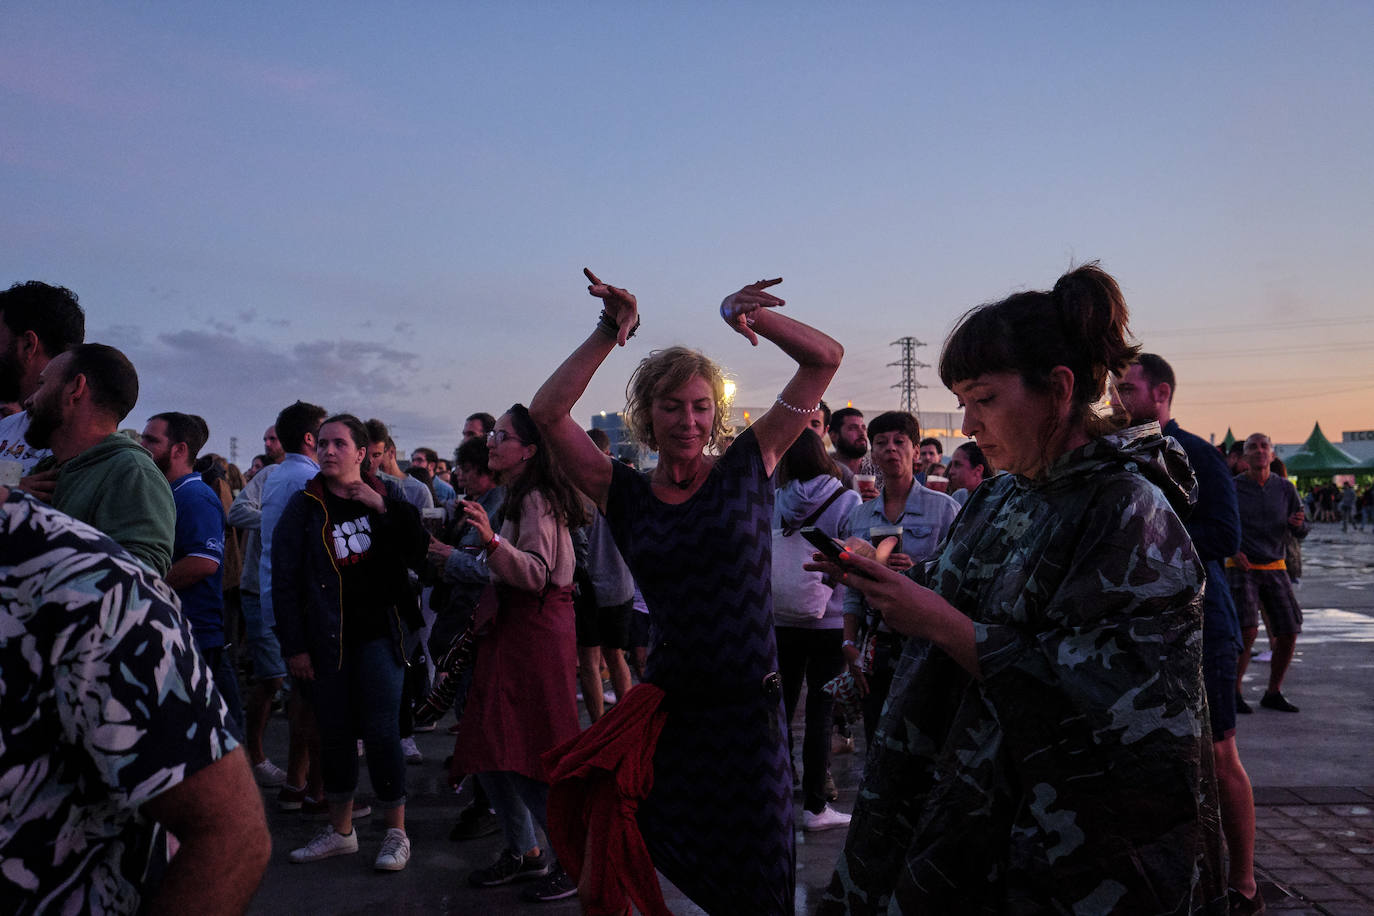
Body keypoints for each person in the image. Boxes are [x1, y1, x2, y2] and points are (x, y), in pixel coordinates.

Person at [813, 264, 1224, 913]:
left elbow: (1110, 709)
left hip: (1070, 862)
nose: (968, 425)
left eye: (984, 399)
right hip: (963, 822)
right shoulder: (1006, 493)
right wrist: (889, 576)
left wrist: (935, 622)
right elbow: (968, 594)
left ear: (1058, 390)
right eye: (963, 402)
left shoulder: (1126, 512)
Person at [529, 268, 843, 915]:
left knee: (760, 893)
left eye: (700, 406)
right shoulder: (626, 493)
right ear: (645, 413)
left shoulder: (748, 466)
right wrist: (607, 330)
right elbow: (547, 414)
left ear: (717, 411)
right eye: (670, 405)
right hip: (671, 717)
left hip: (750, 722)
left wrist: (747, 316)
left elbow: (824, 358)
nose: (687, 419)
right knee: (602, 869)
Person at [0, 486, 269, 913]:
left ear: (179, 447)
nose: (145, 444)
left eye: (152, 438)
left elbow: (229, 831)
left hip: (198, 626)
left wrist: (153, 588)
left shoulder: (95, 588)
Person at [1114, 353, 1261, 910]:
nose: (1118, 401)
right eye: (1114, 391)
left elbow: (1224, 535)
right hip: (1141, 631)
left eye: (1127, 390)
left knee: (1220, 755)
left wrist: (1144, 538)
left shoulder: (1196, 454)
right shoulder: (1118, 458)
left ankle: (1244, 885)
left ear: (1161, 395)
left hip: (1204, 624)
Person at [273, 414, 427, 872]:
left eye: (340, 443)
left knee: (382, 734)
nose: (328, 451)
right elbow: (285, 582)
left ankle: (395, 832)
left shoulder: (387, 498)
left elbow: (419, 550)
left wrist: (382, 510)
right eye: (322, 443)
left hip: (381, 635)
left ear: (363, 453)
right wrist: (294, 647)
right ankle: (342, 831)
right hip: (326, 640)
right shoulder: (304, 506)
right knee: (335, 734)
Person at [453, 405, 588, 903]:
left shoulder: (534, 498)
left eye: (500, 435)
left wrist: (488, 541)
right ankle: (524, 850)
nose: (490, 441)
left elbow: (535, 573)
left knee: (530, 749)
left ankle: (571, 859)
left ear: (528, 451)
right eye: (491, 434)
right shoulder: (520, 493)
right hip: (518, 630)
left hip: (533, 632)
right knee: (494, 744)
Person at [837, 411, 958, 748]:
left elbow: (961, 578)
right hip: (878, 644)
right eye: (881, 443)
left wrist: (918, 568)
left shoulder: (945, 510)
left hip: (928, 643)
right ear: (872, 454)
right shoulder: (860, 516)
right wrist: (849, 643)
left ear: (916, 451)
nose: (891, 449)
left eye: (899, 442)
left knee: (929, 742)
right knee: (878, 741)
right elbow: (851, 588)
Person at [771, 428, 860, 832]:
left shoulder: (779, 499)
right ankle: (815, 807)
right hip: (829, 618)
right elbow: (852, 558)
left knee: (781, 710)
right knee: (821, 713)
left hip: (783, 615)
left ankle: (774, 795)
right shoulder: (847, 498)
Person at [24, 343, 174, 574]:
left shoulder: (132, 472)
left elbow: (137, 582)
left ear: (76, 388)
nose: (29, 401)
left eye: (42, 384)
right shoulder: (48, 469)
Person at [1230, 432, 1308, 713]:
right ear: (1244, 457)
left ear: (1273, 455)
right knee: (1247, 629)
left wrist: (1298, 524)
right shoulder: (1233, 487)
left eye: (1265, 446)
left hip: (1275, 566)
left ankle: (1273, 691)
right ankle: (1234, 692)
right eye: (1253, 447)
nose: (1260, 450)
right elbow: (1222, 524)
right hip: (1243, 567)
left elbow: (1302, 529)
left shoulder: (1286, 489)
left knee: (1289, 630)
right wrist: (1232, 550)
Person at [944, 440, 991, 505]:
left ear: (978, 470)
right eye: (952, 465)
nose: (950, 471)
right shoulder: (958, 496)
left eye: (957, 465)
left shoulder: (996, 500)